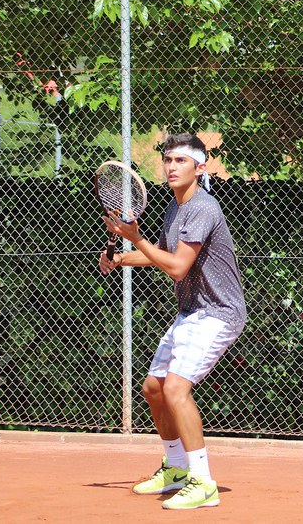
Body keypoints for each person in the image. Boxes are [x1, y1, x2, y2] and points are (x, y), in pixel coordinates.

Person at [99, 133, 247, 510]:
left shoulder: (203, 207)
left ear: (200, 168)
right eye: (167, 160)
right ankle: (177, 468)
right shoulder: (174, 208)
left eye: (180, 160)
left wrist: (135, 238)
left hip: (219, 312)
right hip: (192, 312)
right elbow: (162, 254)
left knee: (176, 389)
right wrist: (120, 258)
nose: (171, 167)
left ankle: (203, 483)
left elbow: (178, 268)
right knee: (154, 388)